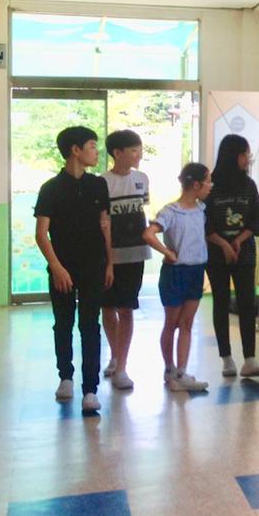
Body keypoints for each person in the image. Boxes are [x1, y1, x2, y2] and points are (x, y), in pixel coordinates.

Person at [34, 126, 113, 412]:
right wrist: (56, 267)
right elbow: (41, 234)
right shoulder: (51, 189)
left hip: (94, 265)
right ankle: (65, 376)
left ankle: (90, 389)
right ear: (75, 150)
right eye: (91, 146)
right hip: (63, 268)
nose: (96, 152)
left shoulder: (98, 185)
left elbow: (105, 224)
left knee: (90, 325)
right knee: (63, 322)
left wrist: (110, 262)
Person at [142, 163, 212, 392]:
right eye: (208, 181)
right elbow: (149, 234)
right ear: (196, 185)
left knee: (187, 323)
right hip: (175, 272)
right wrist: (167, 252)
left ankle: (181, 372)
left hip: (196, 270)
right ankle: (169, 368)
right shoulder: (171, 211)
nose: (210, 186)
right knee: (171, 323)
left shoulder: (201, 209)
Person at [204, 134, 259, 378]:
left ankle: (250, 358)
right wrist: (224, 245)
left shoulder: (249, 185)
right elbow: (204, 222)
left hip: (244, 253)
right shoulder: (210, 185)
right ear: (232, 155)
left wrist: (238, 241)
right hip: (215, 254)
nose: (247, 159)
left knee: (246, 303)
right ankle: (226, 358)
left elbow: (254, 220)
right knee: (220, 302)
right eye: (243, 154)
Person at [100, 130, 150, 389]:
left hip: (135, 253)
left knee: (127, 308)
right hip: (109, 255)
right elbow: (102, 222)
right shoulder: (102, 182)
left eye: (140, 149)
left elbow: (143, 209)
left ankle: (122, 366)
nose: (138, 154)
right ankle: (115, 355)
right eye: (133, 150)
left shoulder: (142, 179)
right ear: (117, 153)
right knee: (108, 307)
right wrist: (106, 257)